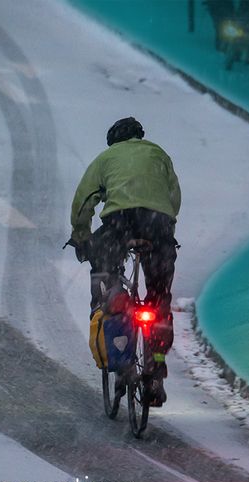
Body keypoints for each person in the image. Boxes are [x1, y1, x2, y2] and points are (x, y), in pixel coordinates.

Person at [68, 117, 181, 406]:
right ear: (139, 136)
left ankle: (115, 298)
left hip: (120, 223)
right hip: (158, 225)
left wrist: (81, 236)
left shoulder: (106, 158)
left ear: (113, 141)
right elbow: (174, 198)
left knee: (104, 270)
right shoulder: (159, 154)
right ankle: (156, 365)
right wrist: (164, 230)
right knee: (159, 298)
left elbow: (84, 201)